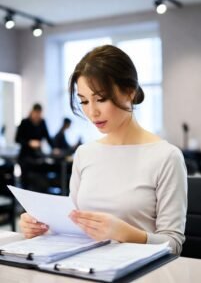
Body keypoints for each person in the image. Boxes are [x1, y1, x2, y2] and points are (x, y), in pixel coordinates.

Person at [19, 45, 187, 255]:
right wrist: (43, 227)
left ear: (129, 92)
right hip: (86, 268)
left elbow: (173, 245)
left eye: (101, 99)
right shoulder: (85, 153)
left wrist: (125, 233)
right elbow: (73, 224)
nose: (92, 111)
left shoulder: (166, 157)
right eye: (84, 101)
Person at [15, 103, 54, 190]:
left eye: (39, 114)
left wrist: (54, 148)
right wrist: (29, 143)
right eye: (36, 113)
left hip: (37, 155)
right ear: (32, 112)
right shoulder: (24, 122)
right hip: (25, 156)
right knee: (26, 182)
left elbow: (48, 137)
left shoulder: (42, 122)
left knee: (40, 179)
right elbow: (17, 139)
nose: (37, 116)